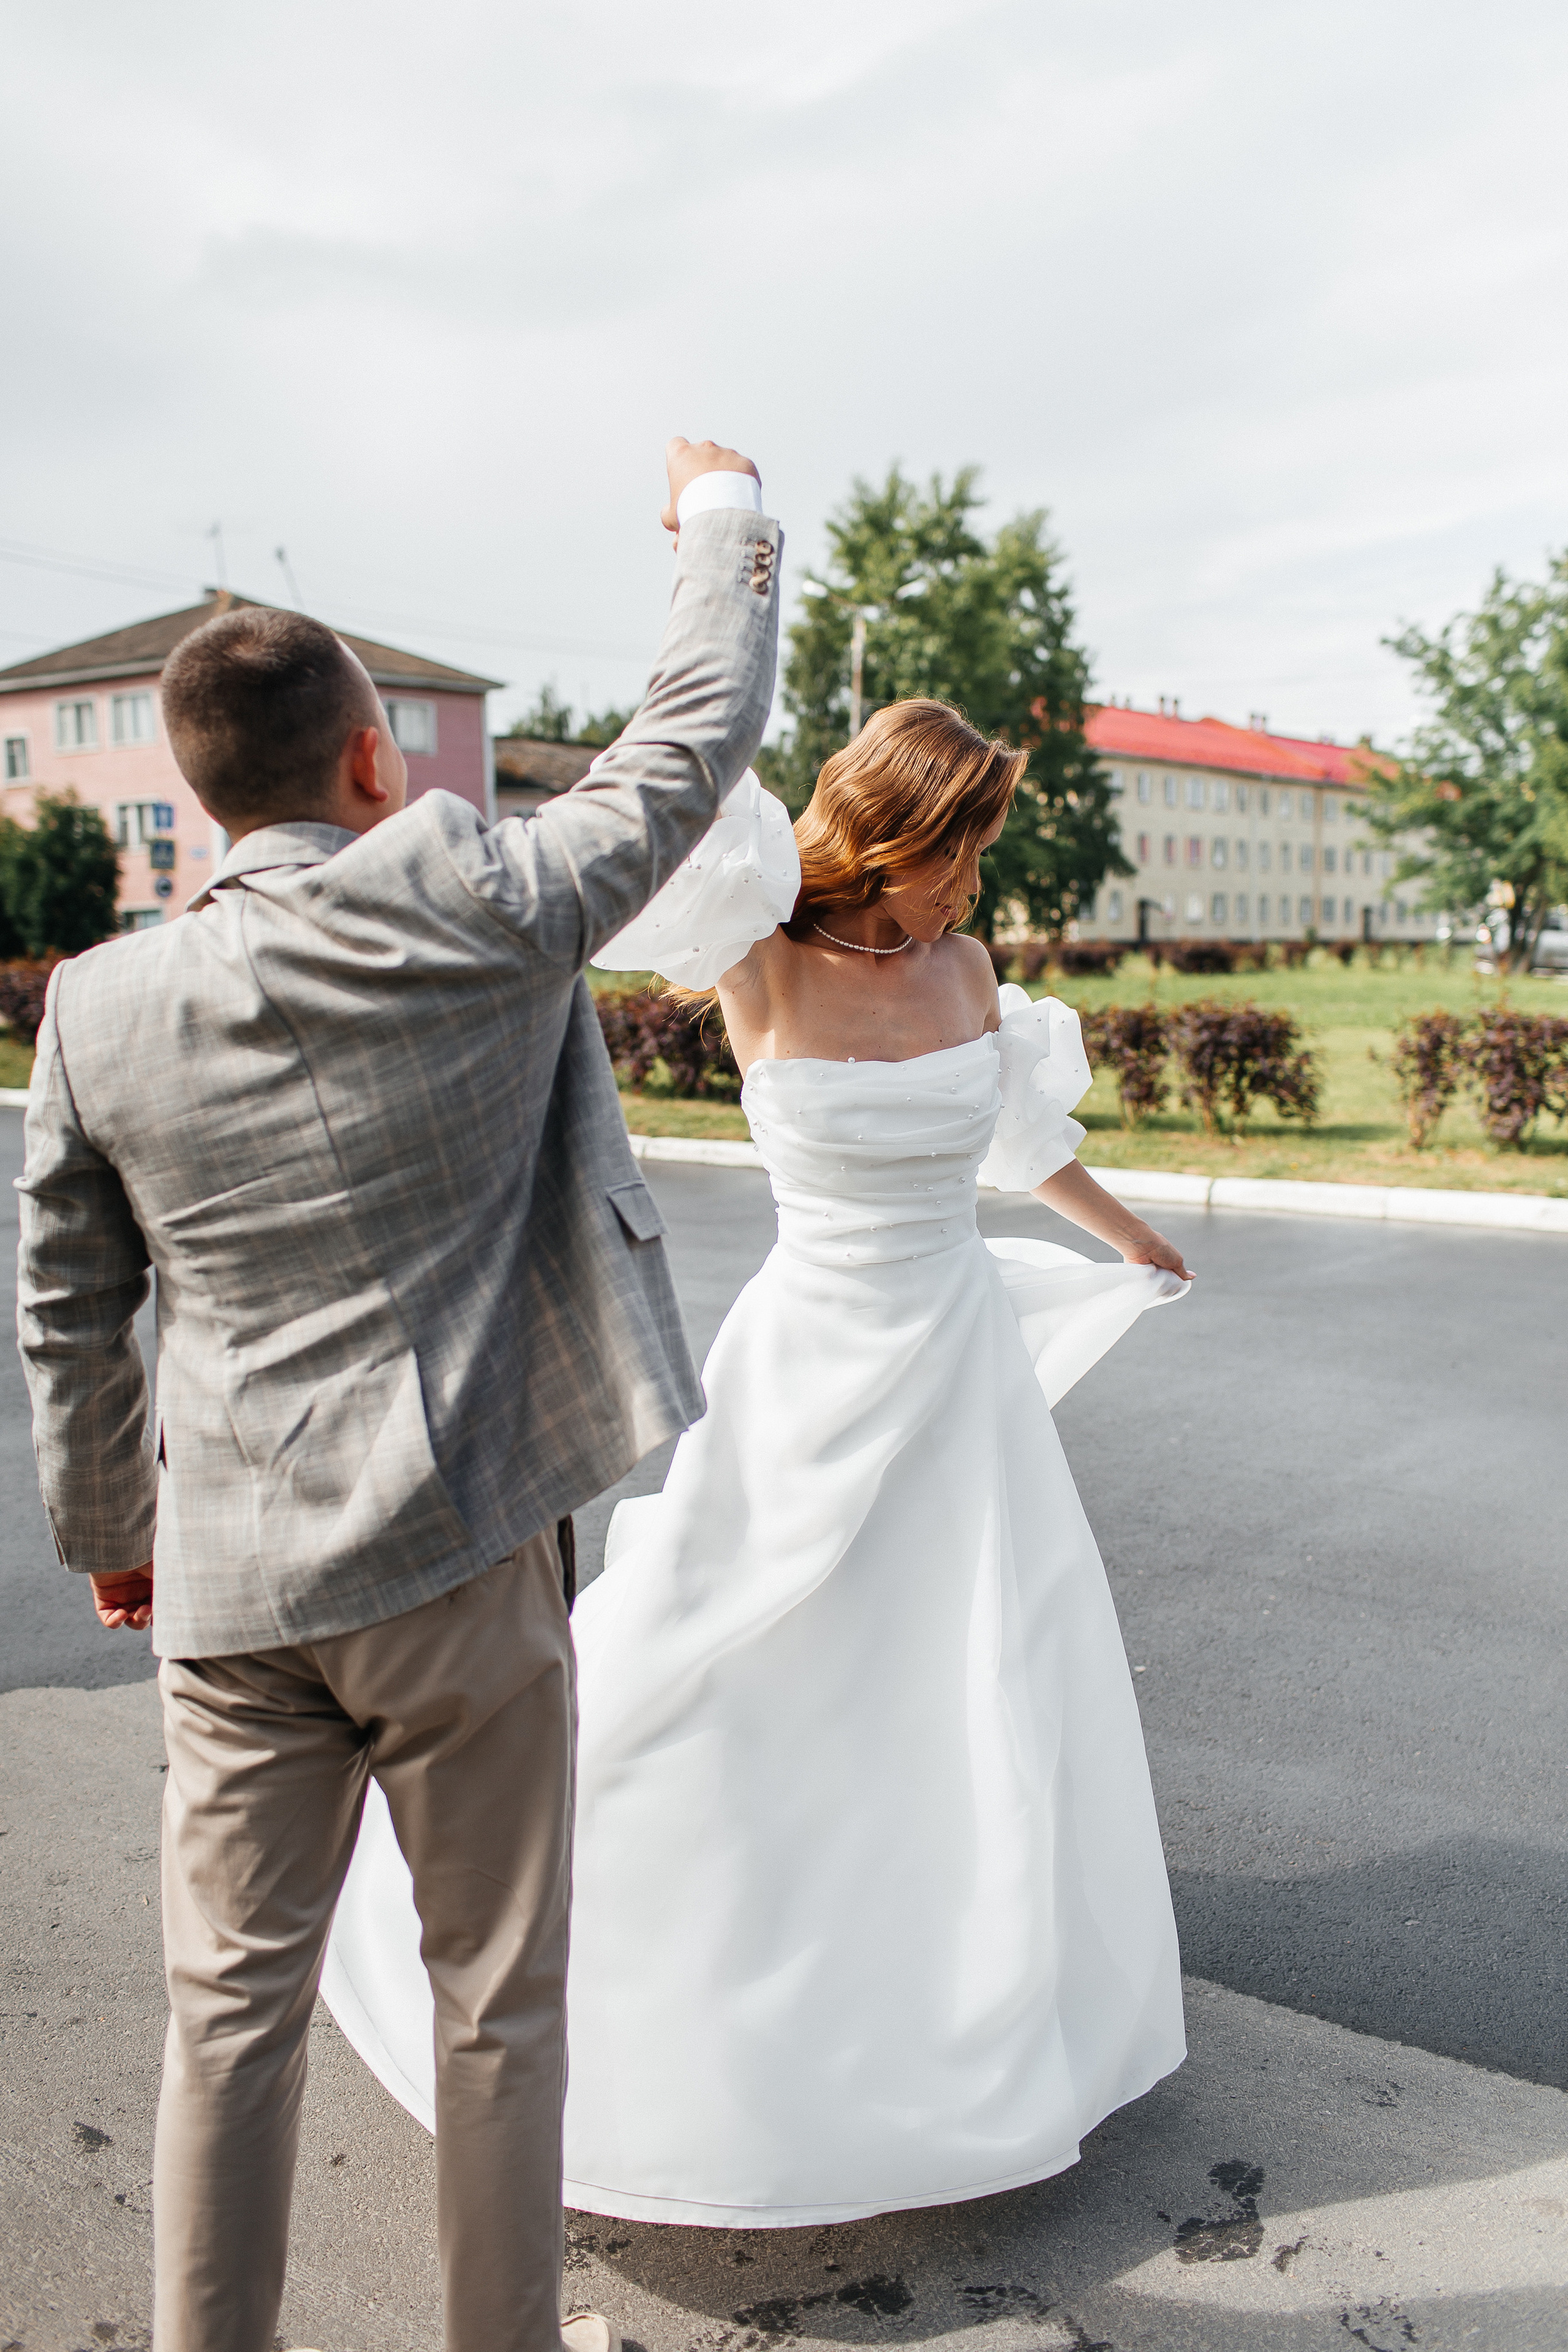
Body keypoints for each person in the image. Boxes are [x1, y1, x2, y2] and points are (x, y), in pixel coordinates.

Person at [14, 435, 781, 2349]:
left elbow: (68, 1315)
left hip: (230, 1588)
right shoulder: (481, 899)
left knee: (225, 2019)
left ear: (195, 796)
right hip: (463, 1550)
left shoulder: (97, 1009)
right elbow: (691, 740)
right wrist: (721, 521)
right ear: (374, 761)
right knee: (497, 2009)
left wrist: (114, 1532)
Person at [324, 699, 1193, 2227]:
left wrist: (1129, 1237)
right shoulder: (754, 954)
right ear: (887, 835)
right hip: (808, 1358)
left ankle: (959, 1977)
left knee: (974, 1657)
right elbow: (663, 804)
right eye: (955, 852)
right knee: (702, 1644)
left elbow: (1017, 1145)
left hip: (956, 1361)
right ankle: (571, 1937)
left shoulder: (970, 975)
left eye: (980, 854)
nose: (970, 886)